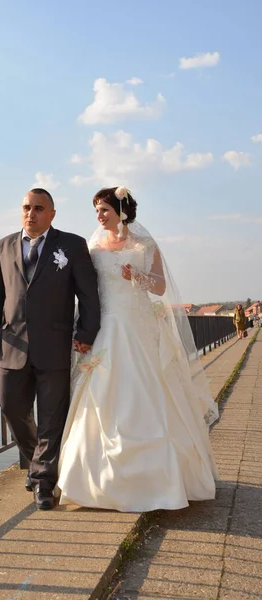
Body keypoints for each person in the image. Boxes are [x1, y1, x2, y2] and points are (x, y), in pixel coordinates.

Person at [56, 186, 219, 513]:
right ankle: (94, 481)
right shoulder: (93, 247)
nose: (99, 217)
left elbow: (159, 286)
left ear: (121, 210)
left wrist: (139, 276)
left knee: (148, 390)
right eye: (96, 211)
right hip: (107, 326)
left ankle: (158, 480)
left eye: (103, 210)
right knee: (102, 394)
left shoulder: (145, 245)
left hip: (138, 326)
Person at [0, 188, 100, 510]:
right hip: (11, 342)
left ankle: (44, 481)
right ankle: (39, 462)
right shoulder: (3, 245)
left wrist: (87, 331)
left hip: (55, 344)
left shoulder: (72, 245)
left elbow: (88, 294)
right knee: (10, 407)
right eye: (26, 208)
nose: (30, 214)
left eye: (38, 208)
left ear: (52, 214)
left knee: (51, 416)